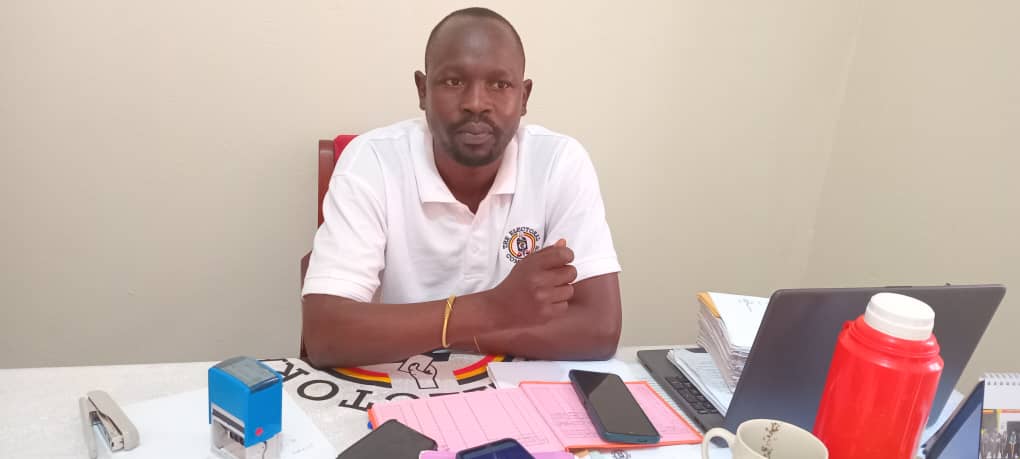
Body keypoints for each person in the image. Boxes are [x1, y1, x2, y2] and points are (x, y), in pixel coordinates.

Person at [301, 7, 622, 368]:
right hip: (400, 387)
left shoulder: (558, 162)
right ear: (422, 90)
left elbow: (599, 329)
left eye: (500, 84)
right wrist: (493, 309)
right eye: (453, 81)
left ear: (524, 97)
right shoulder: (372, 160)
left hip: (519, 390)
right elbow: (326, 335)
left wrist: (439, 330)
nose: (475, 103)